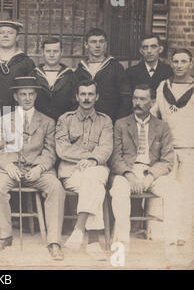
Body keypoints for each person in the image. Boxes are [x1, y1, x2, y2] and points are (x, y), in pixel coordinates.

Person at [0, 76, 66, 260]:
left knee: (55, 187)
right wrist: (8, 165)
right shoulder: (4, 120)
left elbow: (50, 151)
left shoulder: (47, 121)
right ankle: (5, 235)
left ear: (36, 96)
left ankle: (54, 241)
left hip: (38, 168)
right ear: (15, 96)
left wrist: (40, 167)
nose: (27, 98)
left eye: (31, 94)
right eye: (22, 94)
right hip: (10, 167)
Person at [109, 83, 183, 262]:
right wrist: (129, 175)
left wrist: (150, 177)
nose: (137, 103)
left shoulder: (162, 127)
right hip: (127, 172)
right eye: (135, 98)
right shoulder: (121, 124)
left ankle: (171, 246)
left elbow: (167, 160)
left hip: (152, 172)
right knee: (119, 190)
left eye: (142, 99)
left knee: (174, 189)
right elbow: (115, 158)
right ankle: (121, 246)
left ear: (152, 102)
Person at [55, 80, 113, 261]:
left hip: (96, 167)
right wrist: (85, 158)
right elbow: (62, 149)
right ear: (76, 96)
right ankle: (93, 243)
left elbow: (105, 148)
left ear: (97, 97)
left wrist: (92, 160)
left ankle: (79, 230)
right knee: (96, 186)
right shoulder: (66, 119)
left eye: (90, 94)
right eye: (83, 94)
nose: (86, 98)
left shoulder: (105, 121)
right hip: (71, 172)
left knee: (92, 177)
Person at [152, 48, 194, 261]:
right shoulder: (163, 86)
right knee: (165, 192)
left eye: (184, 61)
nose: (179, 65)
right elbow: (155, 115)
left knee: (187, 194)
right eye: (175, 61)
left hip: (189, 148)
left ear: (191, 63)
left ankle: (182, 234)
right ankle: (160, 231)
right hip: (166, 151)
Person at [74, 28, 132, 122]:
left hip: (110, 121)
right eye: (93, 42)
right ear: (86, 45)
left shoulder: (116, 67)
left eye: (101, 42)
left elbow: (126, 98)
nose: (98, 46)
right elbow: (74, 99)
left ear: (106, 44)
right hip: (84, 122)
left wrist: (119, 121)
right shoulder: (80, 70)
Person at [0, 21, 35, 110]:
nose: (5, 36)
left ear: (17, 38)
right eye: (2, 33)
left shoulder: (26, 62)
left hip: (16, 113)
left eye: (10, 33)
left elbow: (30, 92)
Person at [31, 37, 77, 121]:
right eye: (48, 51)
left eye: (55, 51)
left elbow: (75, 103)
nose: (51, 55)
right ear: (42, 52)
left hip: (63, 124)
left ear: (61, 52)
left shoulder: (70, 76)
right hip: (38, 124)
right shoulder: (33, 75)